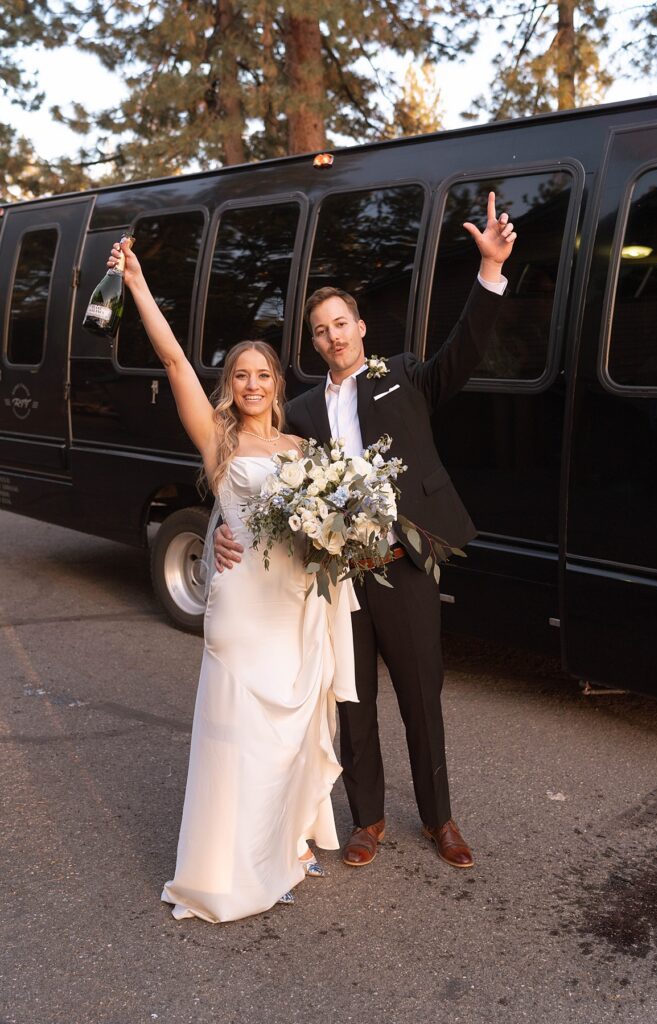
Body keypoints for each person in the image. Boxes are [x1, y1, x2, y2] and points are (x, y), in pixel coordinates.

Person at [215, 191, 516, 870]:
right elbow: (242, 460)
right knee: (352, 701)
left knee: (420, 698)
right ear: (313, 342)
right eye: (320, 331)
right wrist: (221, 531)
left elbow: (460, 355)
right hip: (337, 578)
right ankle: (367, 820)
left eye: (340, 323)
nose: (333, 337)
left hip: (402, 561)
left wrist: (489, 272)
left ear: (359, 327)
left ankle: (440, 820)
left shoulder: (401, 376)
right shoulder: (296, 411)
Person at [108, 241, 359, 922]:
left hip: (293, 608)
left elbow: (325, 524)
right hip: (241, 606)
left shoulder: (305, 452)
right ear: (232, 386)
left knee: (283, 739)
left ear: (278, 385)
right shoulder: (219, 439)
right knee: (238, 734)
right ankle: (224, 867)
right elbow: (172, 361)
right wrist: (136, 284)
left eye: (262, 375)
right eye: (240, 375)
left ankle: (278, 850)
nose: (251, 384)